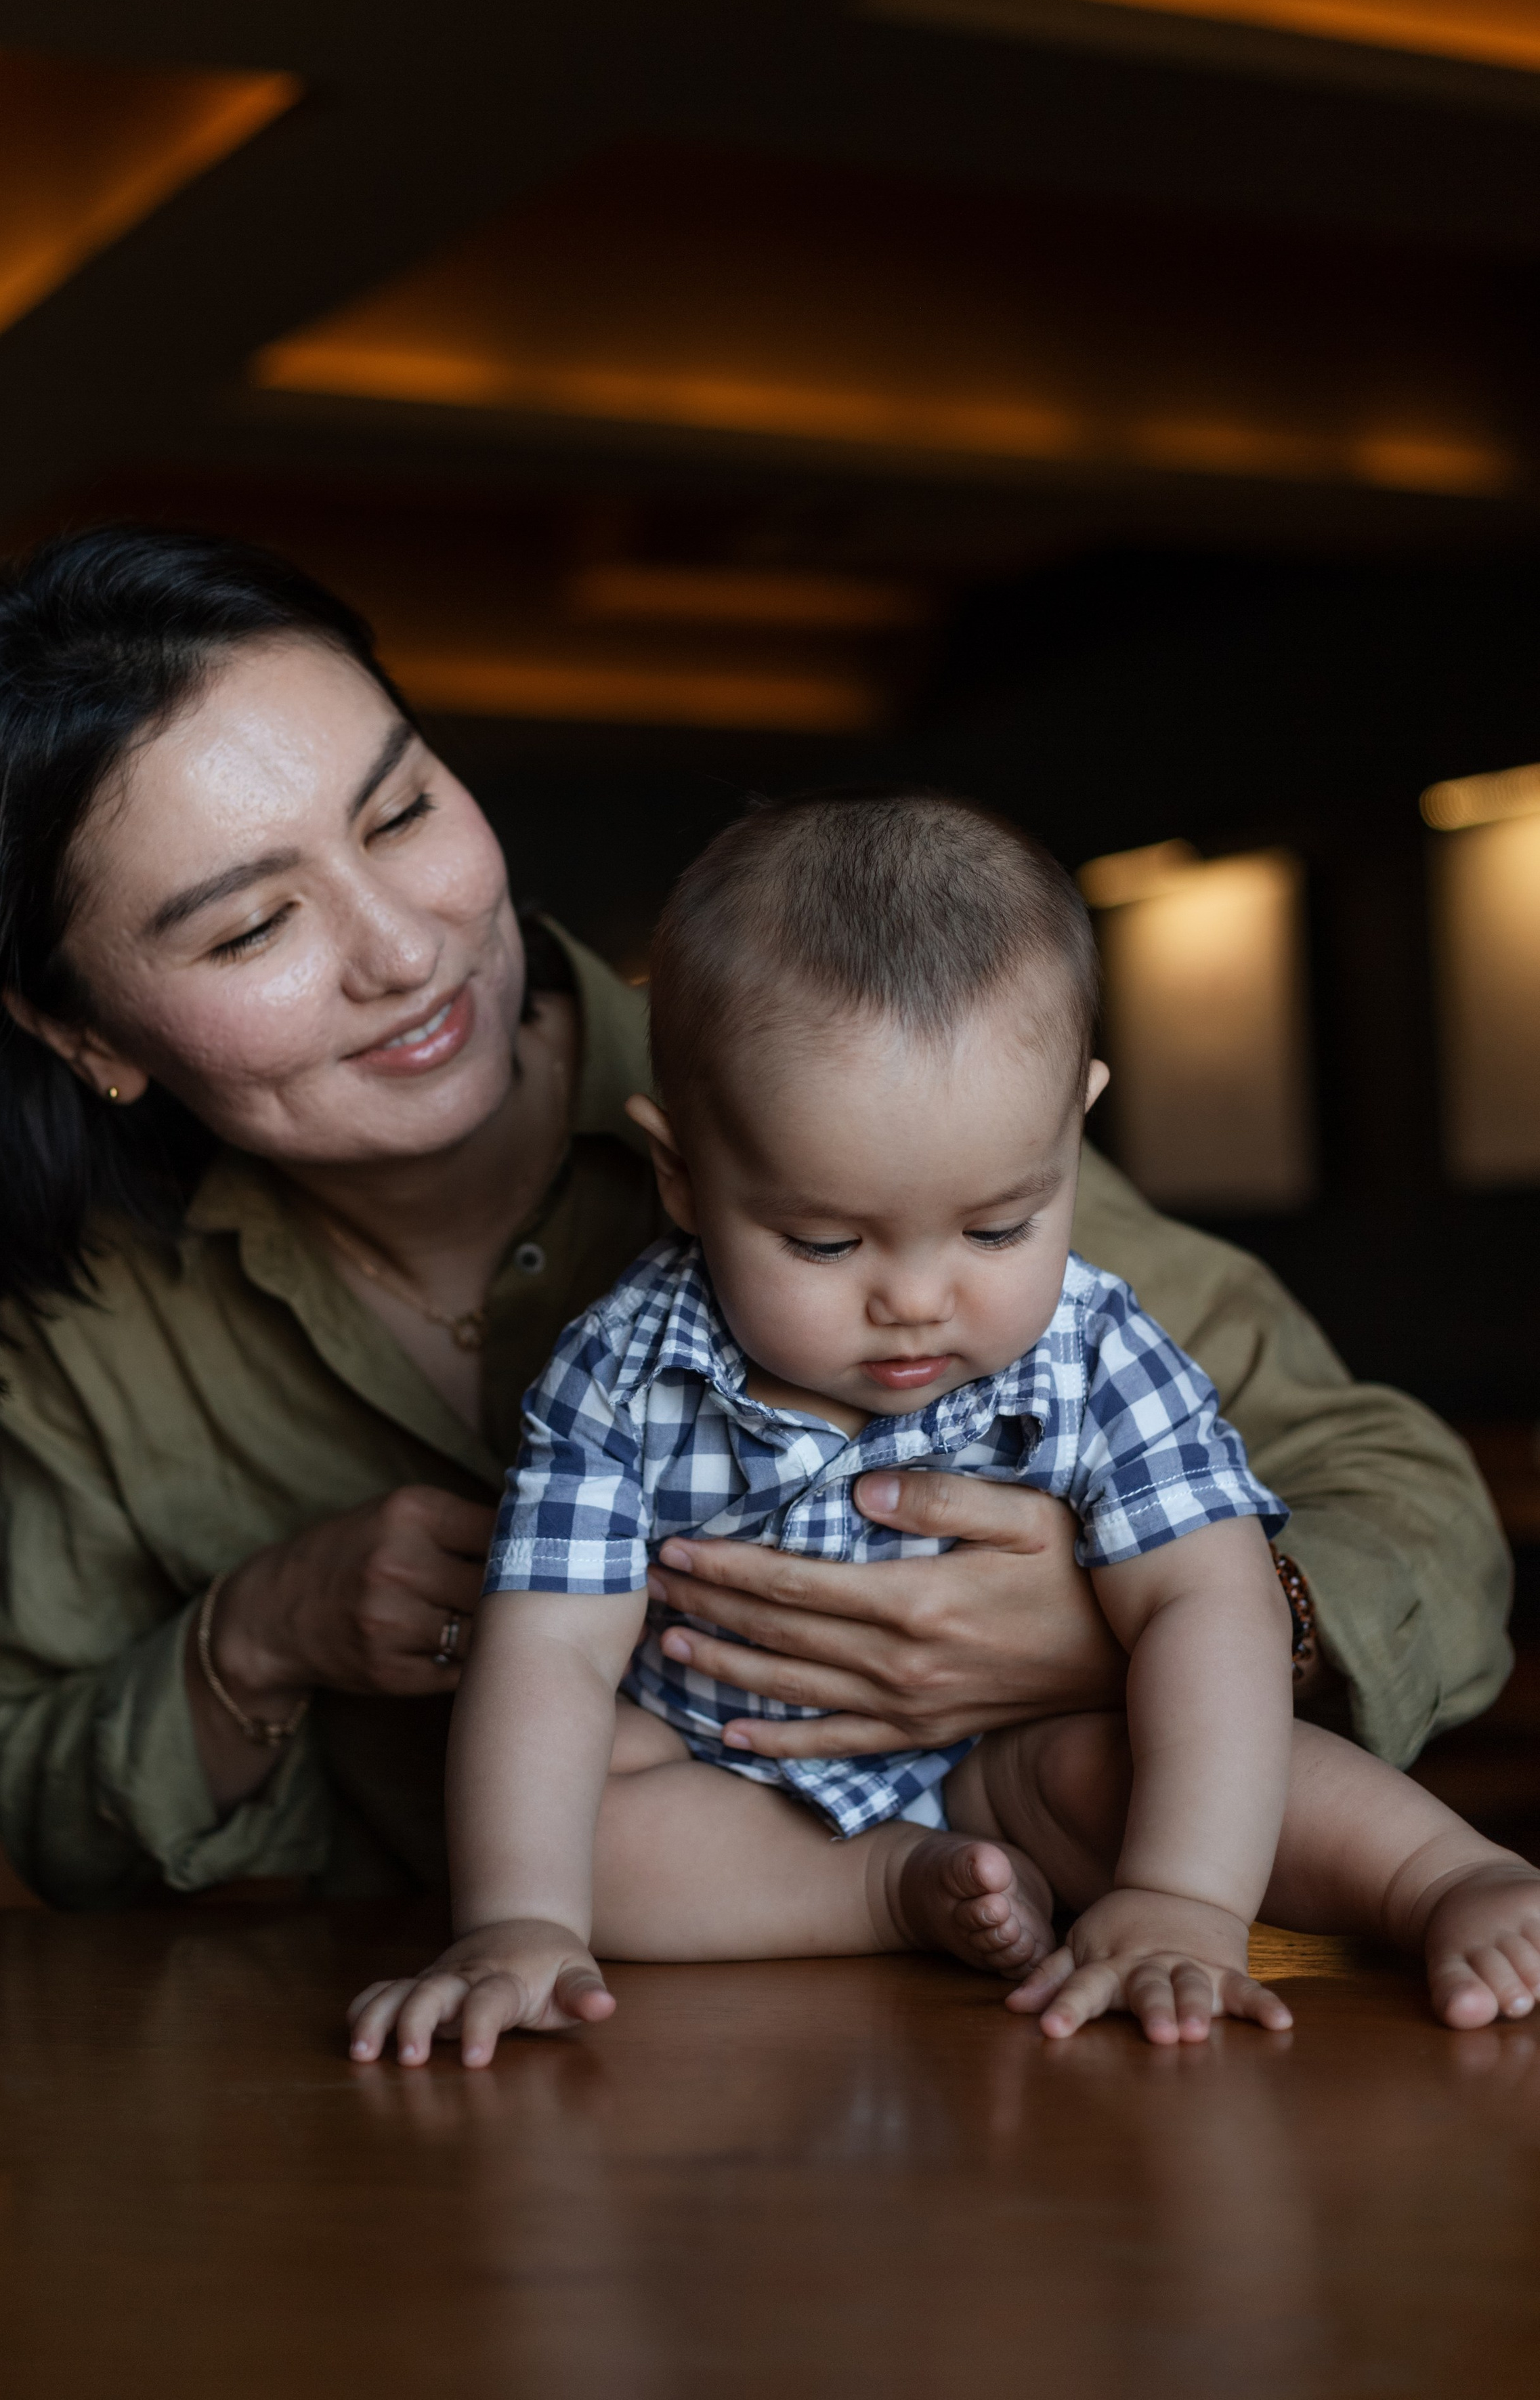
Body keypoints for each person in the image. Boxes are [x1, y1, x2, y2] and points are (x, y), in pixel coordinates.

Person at [0, 528, 1510, 1912]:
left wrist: (1129, 1628)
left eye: (401, 811)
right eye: (253, 927)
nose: (403, 948)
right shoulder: (90, 1325)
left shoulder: (834, 1102)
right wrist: (263, 1635)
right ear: (84, 1034)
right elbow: (39, 1804)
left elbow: (1414, 1511)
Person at [349, 795, 1540, 2067]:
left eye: (997, 1229)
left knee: (1196, 1744)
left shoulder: (1097, 1349)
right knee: (571, 1824)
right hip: (728, 1769)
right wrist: (517, 1921)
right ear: (681, 1173)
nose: (916, 1300)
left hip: (1022, 1758)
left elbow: (1212, 1602)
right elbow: (549, 1652)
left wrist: (1181, 1898)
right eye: (824, 1241)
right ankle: (889, 1890)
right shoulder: (621, 1372)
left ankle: (1446, 1879)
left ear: (1073, 1126)